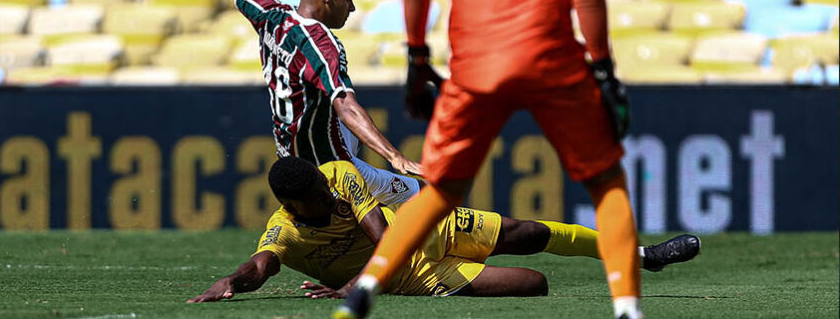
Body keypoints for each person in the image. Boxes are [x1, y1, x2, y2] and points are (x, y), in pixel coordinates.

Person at [338, 0, 653, 318]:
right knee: (606, 182)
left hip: (476, 61)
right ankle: (627, 307)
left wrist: (417, 57)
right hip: (552, 56)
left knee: (443, 190)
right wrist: (603, 66)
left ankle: (367, 288)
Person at [161, 0, 421, 206]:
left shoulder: (272, 16)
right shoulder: (321, 43)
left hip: (292, 163)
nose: (352, 7)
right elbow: (345, 105)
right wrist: (393, 156)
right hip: (332, 171)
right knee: (422, 199)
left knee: (330, 118)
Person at [187, 157, 700, 303]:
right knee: (534, 285)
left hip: (426, 230)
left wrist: (351, 286)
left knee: (527, 231)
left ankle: (640, 256)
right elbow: (262, 263)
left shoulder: (338, 177)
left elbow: (385, 240)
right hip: (420, 277)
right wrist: (234, 280)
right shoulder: (286, 232)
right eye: (317, 197)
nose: (328, 193)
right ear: (293, 204)